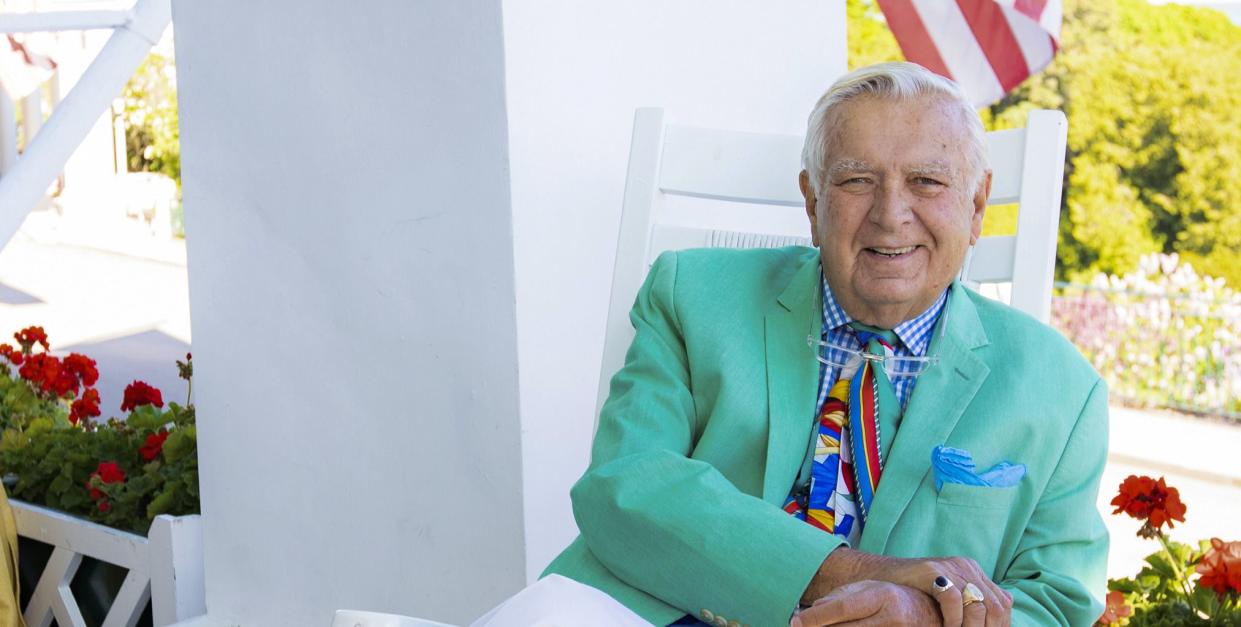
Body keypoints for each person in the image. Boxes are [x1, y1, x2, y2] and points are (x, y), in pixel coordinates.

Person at [486, 62, 1109, 627]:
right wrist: (857, 573)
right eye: (858, 180)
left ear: (976, 207)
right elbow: (627, 485)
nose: (892, 215)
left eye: (926, 181)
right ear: (812, 201)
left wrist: (923, 616)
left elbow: (1055, 601)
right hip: (650, 610)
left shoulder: (1061, 390)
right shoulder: (690, 294)